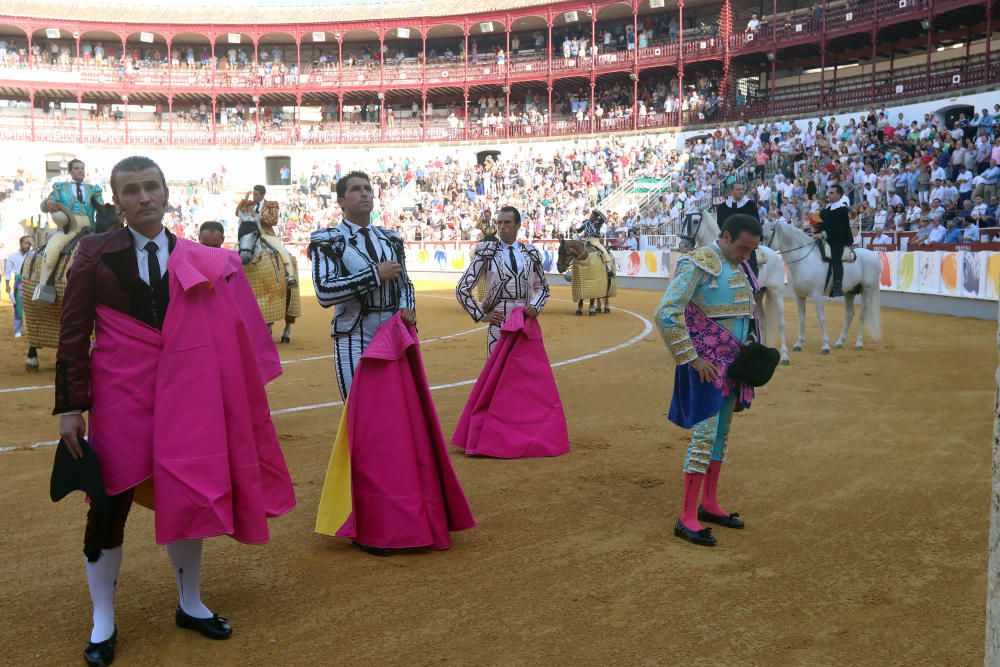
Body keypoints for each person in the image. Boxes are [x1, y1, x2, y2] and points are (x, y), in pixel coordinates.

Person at [55, 156, 296, 666]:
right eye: (132, 191)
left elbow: (225, 334)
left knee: (187, 494)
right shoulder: (92, 252)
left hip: (188, 396)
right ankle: (103, 620)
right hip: (122, 398)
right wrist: (71, 407)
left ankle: (190, 602)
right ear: (116, 201)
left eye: (151, 188)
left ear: (167, 195)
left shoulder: (202, 257)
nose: (144, 197)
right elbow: (74, 334)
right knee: (108, 504)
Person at [655, 214, 763, 547]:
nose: (746, 256)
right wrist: (691, 358)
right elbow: (667, 312)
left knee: (721, 438)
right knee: (703, 439)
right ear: (726, 236)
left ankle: (709, 504)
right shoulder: (698, 263)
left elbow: (745, 316)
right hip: (708, 368)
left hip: (733, 367)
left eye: (751, 251)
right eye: (743, 248)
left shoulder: (741, 266)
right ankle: (686, 517)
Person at [309, 170, 416, 399]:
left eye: (367, 189)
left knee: (394, 406)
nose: (364, 193)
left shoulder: (391, 239)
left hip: (391, 332)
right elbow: (324, 292)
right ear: (341, 201)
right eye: (355, 190)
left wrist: (408, 307)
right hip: (353, 333)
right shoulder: (328, 240)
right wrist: (374, 274)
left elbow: (405, 283)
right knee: (358, 407)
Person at [455, 206, 550, 356]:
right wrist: (480, 315)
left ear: (518, 225)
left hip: (524, 319)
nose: (502, 227)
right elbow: (462, 288)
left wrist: (535, 305)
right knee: (497, 368)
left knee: (524, 368)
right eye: (499, 223)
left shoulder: (531, 253)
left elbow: (543, 287)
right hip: (499, 320)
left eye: (507, 222)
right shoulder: (487, 252)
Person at [36, 159, 105, 301]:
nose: (80, 171)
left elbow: (101, 209)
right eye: (77, 168)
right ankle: (44, 290)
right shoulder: (61, 188)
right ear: (70, 171)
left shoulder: (93, 190)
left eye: (82, 168)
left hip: (90, 229)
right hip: (68, 229)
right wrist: (47, 203)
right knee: (51, 255)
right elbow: (44, 207)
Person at [235, 185, 296, 285]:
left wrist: (259, 217)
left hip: (265, 233)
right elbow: (238, 213)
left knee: (281, 250)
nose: (254, 196)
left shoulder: (272, 205)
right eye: (253, 194)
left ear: (262, 195)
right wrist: (245, 200)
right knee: (235, 249)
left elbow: (274, 220)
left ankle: (289, 276)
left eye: (256, 194)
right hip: (250, 235)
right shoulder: (249, 204)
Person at [813, 184, 851, 297]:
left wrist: (823, 234)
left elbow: (840, 228)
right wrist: (815, 230)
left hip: (839, 239)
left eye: (832, 193)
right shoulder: (827, 209)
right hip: (828, 237)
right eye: (828, 193)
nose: (828, 195)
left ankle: (837, 286)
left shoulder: (842, 209)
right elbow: (823, 225)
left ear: (839, 195)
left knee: (836, 256)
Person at [716, 181, 760, 276]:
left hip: (745, 243)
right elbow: (720, 224)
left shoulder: (750, 205)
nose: (741, 192)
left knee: (751, 265)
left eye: (742, 189)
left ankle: (753, 286)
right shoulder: (722, 207)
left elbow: (756, 223)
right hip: (727, 242)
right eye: (738, 189)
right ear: (732, 191)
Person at [4, 235, 32, 338]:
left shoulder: (33, 255)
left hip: (31, 282)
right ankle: (18, 330)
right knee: (18, 307)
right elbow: (7, 272)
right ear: (21, 244)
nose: (28, 246)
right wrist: (7, 285)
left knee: (33, 307)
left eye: (29, 244)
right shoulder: (13, 256)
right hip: (19, 283)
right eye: (26, 243)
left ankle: (33, 330)